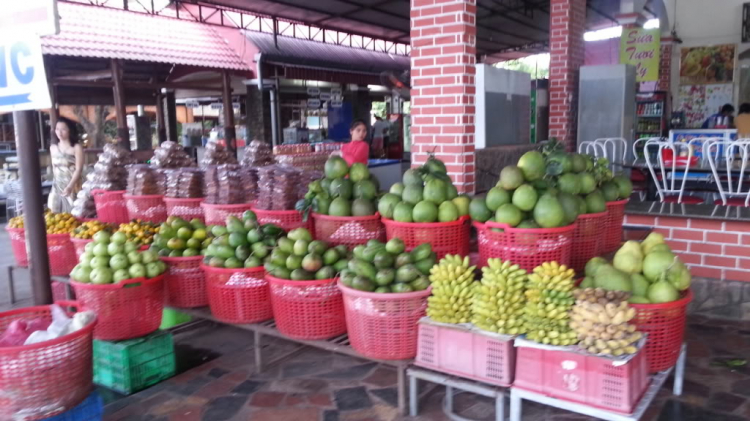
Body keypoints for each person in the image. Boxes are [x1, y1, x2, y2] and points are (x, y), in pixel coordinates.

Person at [48, 117, 84, 213]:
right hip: (57, 184)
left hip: (73, 183)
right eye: (57, 129)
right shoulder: (53, 147)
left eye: (63, 129)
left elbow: (79, 169)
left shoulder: (76, 147)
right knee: (55, 212)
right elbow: (54, 168)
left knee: (73, 212)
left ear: (69, 131)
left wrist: (70, 186)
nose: (59, 132)